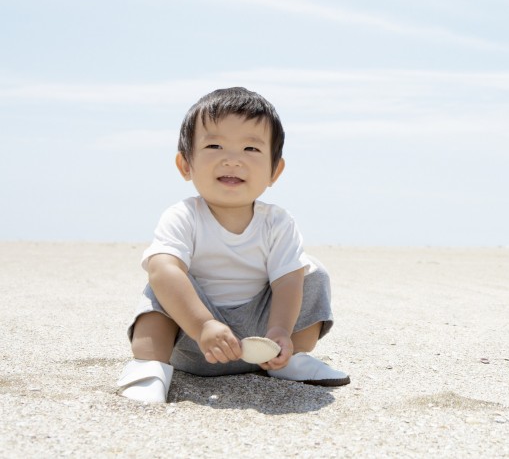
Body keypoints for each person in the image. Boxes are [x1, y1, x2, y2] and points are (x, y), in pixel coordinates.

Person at [117, 87, 349, 403]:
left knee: (310, 272)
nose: (232, 159)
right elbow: (162, 270)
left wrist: (280, 331)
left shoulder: (278, 222)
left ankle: (291, 360)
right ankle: (149, 367)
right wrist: (203, 326)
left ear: (275, 170)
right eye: (214, 145)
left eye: (251, 149)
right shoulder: (184, 216)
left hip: (262, 342)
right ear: (186, 165)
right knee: (164, 277)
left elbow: (286, 282)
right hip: (194, 337)